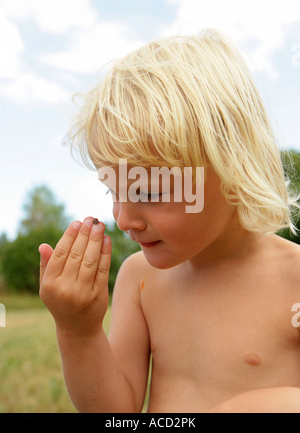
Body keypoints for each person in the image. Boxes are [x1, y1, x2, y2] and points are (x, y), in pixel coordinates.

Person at [39, 29, 300, 413]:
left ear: (233, 171)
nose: (124, 218)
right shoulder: (140, 280)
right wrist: (78, 331)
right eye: (114, 190)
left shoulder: (293, 281)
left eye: (149, 193)